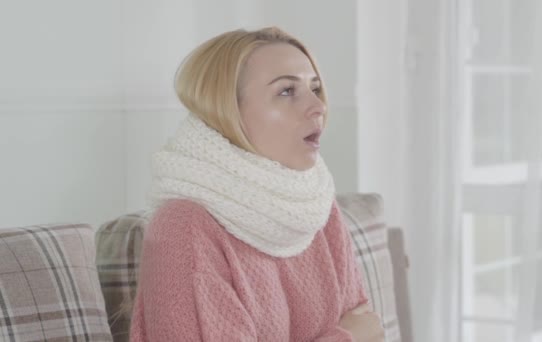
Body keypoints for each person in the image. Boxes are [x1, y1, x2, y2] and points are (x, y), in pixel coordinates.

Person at [128, 26, 385, 341]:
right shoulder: (184, 227)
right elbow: (361, 331)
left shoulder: (314, 205)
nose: (318, 107)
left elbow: (361, 320)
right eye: (286, 91)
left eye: (315, 89)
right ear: (226, 111)